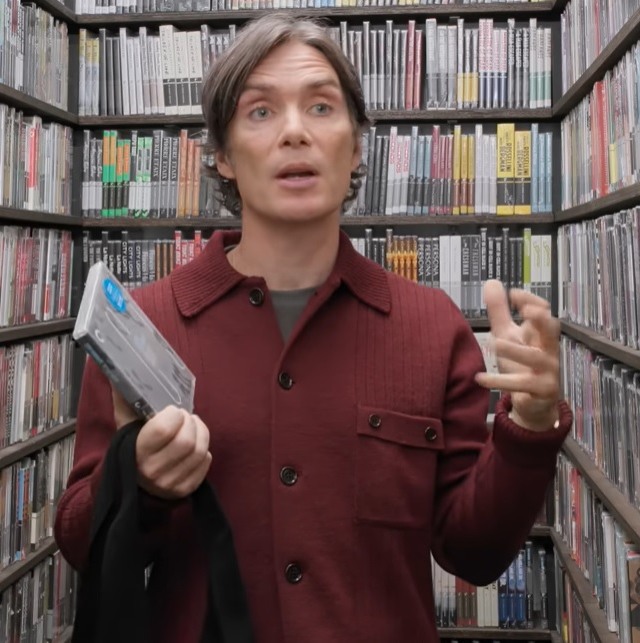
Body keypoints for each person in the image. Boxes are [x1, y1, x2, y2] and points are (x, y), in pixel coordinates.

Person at [54, 13, 573, 643]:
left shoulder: (431, 327)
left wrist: (530, 428)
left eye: (322, 107)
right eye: (260, 111)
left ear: (355, 148)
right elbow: (79, 543)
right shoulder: (144, 326)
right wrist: (138, 481)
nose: (295, 131)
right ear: (222, 155)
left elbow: (474, 553)